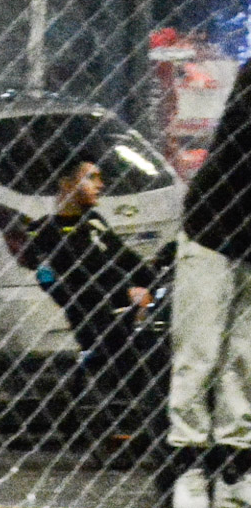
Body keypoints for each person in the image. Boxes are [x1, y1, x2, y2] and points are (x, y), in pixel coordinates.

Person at [19, 156, 164, 444]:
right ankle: (132, 420)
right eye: (91, 178)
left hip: (127, 308)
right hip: (97, 317)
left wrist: (154, 277)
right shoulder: (44, 232)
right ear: (66, 184)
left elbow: (125, 259)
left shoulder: (94, 221)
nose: (100, 185)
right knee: (140, 344)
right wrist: (125, 292)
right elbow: (68, 283)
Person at [166, 58, 251, 508]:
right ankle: (190, 468)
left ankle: (236, 470)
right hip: (212, 231)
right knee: (199, 352)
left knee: (245, 359)